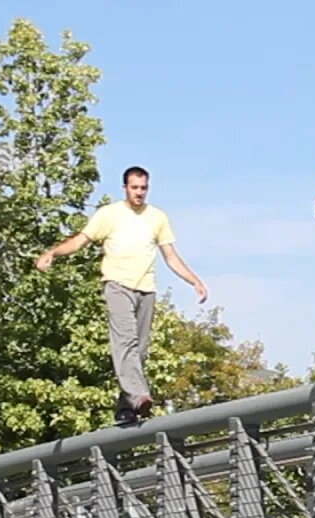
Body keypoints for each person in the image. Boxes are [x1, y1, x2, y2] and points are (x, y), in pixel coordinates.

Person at [36, 166, 207, 425]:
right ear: (125, 188)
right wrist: (53, 253)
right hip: (117, 285)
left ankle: (125, 408)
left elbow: (170, 256)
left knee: (139, 352)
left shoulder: (157, 217)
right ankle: (139, 396)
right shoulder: (109, 215)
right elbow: (80, 241)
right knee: (125, 342)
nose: (139, 193)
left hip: (146, 289)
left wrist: (194, 280)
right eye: (134, 188)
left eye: (143, 188)